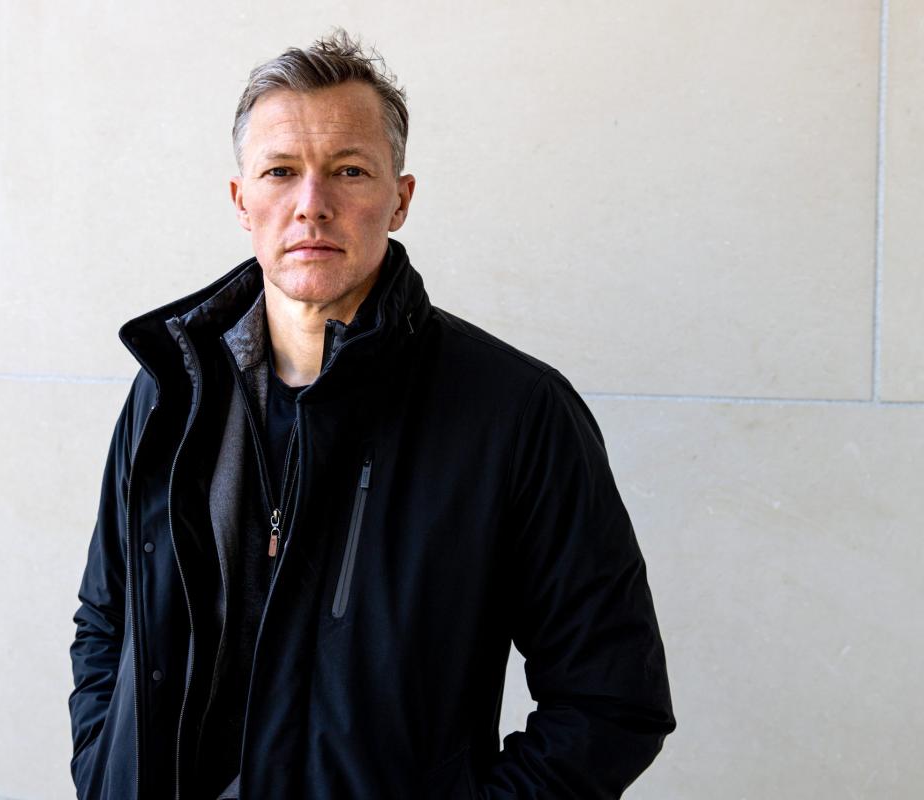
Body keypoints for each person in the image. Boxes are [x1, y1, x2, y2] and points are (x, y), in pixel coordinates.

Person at [68, 29, 674, 800]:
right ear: (240, 201)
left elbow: (611, 701)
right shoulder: (172, 392)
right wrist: (103, 770)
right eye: (281, 172)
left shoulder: (516, 413)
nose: (311, 205)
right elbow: (106, 619)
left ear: (400, 199)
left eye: (349, 171)